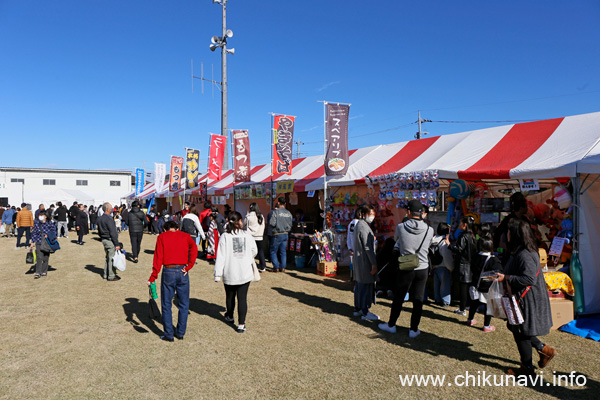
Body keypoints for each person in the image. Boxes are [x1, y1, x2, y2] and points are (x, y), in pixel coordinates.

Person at [496, 218, 555, 376]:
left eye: (509, 231)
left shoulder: (525, 254)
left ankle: (527, 368)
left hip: (527, 299)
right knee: (519, 329)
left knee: (521, 330)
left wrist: (506, 278)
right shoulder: (521, 251)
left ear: (515, 234)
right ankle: (543, 350)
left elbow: (529, 279)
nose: (506, 234)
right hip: (524, 298)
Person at [379, 200, 434, 337]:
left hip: (406, 266)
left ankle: (391, 324)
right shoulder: (429, 229)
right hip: (422, 267)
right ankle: (413, 329)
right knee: (418, 299)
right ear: (422, 213)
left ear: (408, 212)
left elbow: (397, 241)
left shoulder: (401, 227)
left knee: (399, 297)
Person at [148, 220, 198, 342]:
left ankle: (169, 334)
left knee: (166, 304)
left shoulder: (162, 237)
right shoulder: (185, 236)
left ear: (165, 229)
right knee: (184, 304)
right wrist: (189, 265)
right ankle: (180, 332)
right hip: (183, 270)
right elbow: (194, 248)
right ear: (176, 228)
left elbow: (158, 257)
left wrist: (153, 275)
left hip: (168, 271)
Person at [214, 211, 258, 334]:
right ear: (239, 221)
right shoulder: (247, 235)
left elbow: (220, 256)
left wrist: (218, 274)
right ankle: (241, 324)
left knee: (230, 296)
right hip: (244, 271)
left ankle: (230, 316)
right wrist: (247, 258)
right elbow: (254, 250)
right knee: (242, 298)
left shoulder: (225, 236)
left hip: (230, 271)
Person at [466, 231, 502, 332]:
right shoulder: (493, 260)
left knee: (474, 303)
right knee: (488, 306)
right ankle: (486, 326)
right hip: (487, 286)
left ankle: (470, 319)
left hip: (475, 283)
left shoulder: (475, 256)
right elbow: (498, 272)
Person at [352, 205, 379, 321]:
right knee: (365, 286)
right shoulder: (363, 226)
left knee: (359, 285)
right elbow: (368, 248)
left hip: (359, 259)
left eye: (373, 214)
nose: (372, 217)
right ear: (363, 214)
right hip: (365, 261)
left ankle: (358, 308)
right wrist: (373, 263)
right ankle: (364, 310)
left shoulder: (359, 225)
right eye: (370, 214)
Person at [450, 216, 478, 316]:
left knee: (463, 288)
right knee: (469, 287)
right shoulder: (473, 235)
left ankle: (462, 309)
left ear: (465, 225)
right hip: (470, 264)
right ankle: (468, 306)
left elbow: (459, 249)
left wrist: (449, 245)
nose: (459, 225)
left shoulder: (464, 236)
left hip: (463, 264)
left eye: (460, 223)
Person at [431, 223, 454, 307]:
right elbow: (446, 256)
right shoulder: (444, 242)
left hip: (434, 265)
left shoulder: (433, 239)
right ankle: (445, 301)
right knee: (445, 285)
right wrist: (451, 267)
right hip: (443, 265)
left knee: (436, 284)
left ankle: (437, 299)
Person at [97, 203, 121, 281]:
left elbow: (99, 231)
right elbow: (113, 232)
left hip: (104, 239)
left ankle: (105, 274)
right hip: (109, 239)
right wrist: (116, 243)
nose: (112, 209)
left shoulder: (100, 218)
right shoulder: (109, 219)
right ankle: (111, 276)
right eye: (111, 208)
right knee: (111, 258)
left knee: (108, 257)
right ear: (107, 209)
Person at [30, 210, 57, 279]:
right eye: (40, 215)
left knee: (46, 257)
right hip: (39, 242)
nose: (40, 217)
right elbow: (34, 233)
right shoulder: (37, 224)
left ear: (45, 216)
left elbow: (54, 231)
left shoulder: (49, 223)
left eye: (42, 215)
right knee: (39, 257)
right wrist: (32, 242)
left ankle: (44, 271)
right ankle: (38, 272)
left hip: (47, 242)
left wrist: (49, 235)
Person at [269, 197, 293, 272]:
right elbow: (291, 224)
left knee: (273, 251)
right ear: (285, 203)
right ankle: (282, 267)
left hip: (277, 233)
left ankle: (276, 267)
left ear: (278, 203)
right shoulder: (289, 213)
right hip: (285, 234)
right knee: (283, 251)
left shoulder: (275, 212)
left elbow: (272, 223)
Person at [244, 202, 266, 272]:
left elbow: (244, 224)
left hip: (251, 236)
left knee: (250, 252)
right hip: (259, 236)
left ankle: (250, 265)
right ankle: (263, 266)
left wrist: (246, 215)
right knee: (260, 251)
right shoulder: (261, 216)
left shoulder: (248, 216)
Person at [346, 208, 362, 281]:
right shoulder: (358, 224)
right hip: (358, 249)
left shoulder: (351, 223)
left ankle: (353, 278)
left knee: (354, 266)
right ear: (360, 214)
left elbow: (349, 237)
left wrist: (350, 248)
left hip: (353, 248)